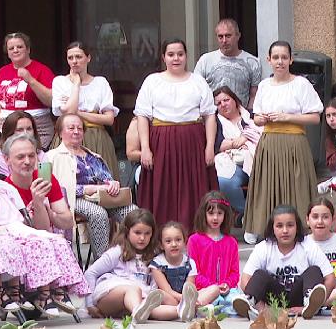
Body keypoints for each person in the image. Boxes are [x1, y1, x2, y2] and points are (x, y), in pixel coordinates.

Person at [0, 149, 88, 317]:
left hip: (17, 226)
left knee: (56, 240)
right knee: (31, 243)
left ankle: (56, 288)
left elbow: (19, 211)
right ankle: (27, 293)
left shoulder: (3, 188)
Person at [243, 41, 323, 245]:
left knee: (295, 186)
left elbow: (315, 117)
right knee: (268, 186)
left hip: (294, 142)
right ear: (269, 60)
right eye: (276, 57)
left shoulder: (301, 84)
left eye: (284, 57)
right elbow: (257, 117)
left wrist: (287, 117)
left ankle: (300, 229)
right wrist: (262, 119)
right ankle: (264, 227)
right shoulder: (263, 85)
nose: (280, 62)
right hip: (269, 142)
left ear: (291, 60)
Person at [134, 38, 218, 230]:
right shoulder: (152, 82)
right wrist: (145, 148)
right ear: (164, 57)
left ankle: (194, 234)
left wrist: (209, 147)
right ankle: (161, 236)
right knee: (163, 189)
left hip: (192, 141)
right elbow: (143, 116)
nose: (176, 58)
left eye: (180, 54)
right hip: (161, 142)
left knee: (193, 188)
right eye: (171, 54)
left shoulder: (198, 81)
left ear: (186, 56)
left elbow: (209, 115)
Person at [47, 113, 138, 258]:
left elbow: (107, 178)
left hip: (102, 198)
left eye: (79, 128)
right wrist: (87, 189)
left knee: (132, 211)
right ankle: (103, 261)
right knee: (98, 214)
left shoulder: (93, 156)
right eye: (71, 128)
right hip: (74, 199)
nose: (76, 131)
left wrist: (112, 184)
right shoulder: (53, 157)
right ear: (59, 132)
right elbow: (57, 188)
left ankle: (132, 256)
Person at [83, 208, 184, 323]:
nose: (142, 238)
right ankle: (138, 311)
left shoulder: (154, 256)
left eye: (147, 233)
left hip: (137, 298)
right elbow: (90, 273)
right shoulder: (118, 252)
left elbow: (154, 284)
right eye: (137, 233)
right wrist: (89, 304)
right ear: (127, 231)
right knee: (133, 290)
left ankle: (181, 311)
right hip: (110, 296)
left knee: (163, 301)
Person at [234, 204, 330, 320]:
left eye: (290, 225)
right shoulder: (264, 247)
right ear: (272, 228)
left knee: (314, 270)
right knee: (260, 274)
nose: (285, 231)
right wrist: (262, 307)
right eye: (279, 226)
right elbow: (245, 280)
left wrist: (316, 304)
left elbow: (330, 278)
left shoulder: (308, 245)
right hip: (273, 298)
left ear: (297, 227)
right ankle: (250, 301)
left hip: (299, 296)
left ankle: (309, 302)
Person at [51, 41, 120, 176]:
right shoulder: (60, 82)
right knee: (67, 178)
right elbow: (66, 113)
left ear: (88, 58)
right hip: (69, 134)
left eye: (79, 57)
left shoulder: (100, 82)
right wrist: (76, 84)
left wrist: (77, 112)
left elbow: (109, 119)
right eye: (70, 58)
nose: (74, 61)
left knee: (101, 179)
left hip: (96, 137)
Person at [3, 133, 74, 235]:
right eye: (20, 157)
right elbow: (38, 233)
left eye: (31, 156)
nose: (27, 161)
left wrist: (50, 213)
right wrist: (38, 204)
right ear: (7, 159)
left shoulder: (45, 180)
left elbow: (68, 222)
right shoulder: (5, 190)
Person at [0, 32, 54, 149]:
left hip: (36, 128)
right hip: (9, 128)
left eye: (20, 47)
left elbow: (51, 100)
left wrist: (31, 80)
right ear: (8, 53)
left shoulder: (42, 70)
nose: (15, 50)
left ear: (28, 49)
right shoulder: (2, 71)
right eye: (11, 48)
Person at [187, 191, 243, 316]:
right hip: (205, 289)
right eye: (211, 213)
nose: (215, 218)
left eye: (220, 213)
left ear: (225, 215)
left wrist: (227, 284)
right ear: (204, 214)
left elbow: (235, 272)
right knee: (211, 299)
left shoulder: (231, 242)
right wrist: (213, 286)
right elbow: (194, 273)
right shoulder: (194, 240)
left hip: (227, 290)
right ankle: (210, 308)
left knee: (234, 297)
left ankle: (236, 306)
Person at [213, 85, 260, 224]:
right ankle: (250, 214)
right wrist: (237, 142)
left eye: (226, 100)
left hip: (256, 160)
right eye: (219, 103)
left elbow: (261, 134)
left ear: (235, 100)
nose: (223, 104)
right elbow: (218, 145)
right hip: (232, 163)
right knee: (224, 182)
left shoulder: (251, 117)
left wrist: (246, 138)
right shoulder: (216, 122)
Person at [193, 18, 263, 108]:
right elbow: (197, 91)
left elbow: (254, 96)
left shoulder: (253, 62)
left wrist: (248, 118)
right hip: (212, 117)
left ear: (238, 36)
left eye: (228, 36)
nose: (224, 40)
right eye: (220, 36)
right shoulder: (205, 60)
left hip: (242, 117)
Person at [148, 221, 201, 322]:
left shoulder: (189, 263)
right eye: (168, 241)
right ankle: (184, 310)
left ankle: (185, 309)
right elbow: (167, 289)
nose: (174, 244)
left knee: (213, 289)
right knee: (161, 294)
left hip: (184, 298)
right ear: (161, 245)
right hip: (169, 298)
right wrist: (184, 299)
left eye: (178, 240)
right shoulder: (157, 264)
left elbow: (189, 287)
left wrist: (189, 298)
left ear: (184, 241)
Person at [0, 111, 46, 178]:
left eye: (29, 129)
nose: (25, 133)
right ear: (9, 133)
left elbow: (45, 179)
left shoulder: (41, 153)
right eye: (20, 130)